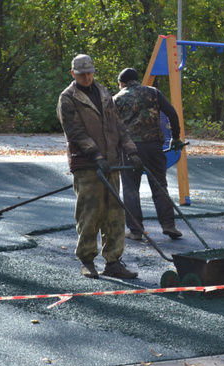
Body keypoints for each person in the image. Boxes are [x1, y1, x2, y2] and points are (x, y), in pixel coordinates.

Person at [57, 54, 144, 279]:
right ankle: (87, 260)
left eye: (89, 73)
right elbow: (75, 132)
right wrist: (95, 154)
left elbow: (118, 125)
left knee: (115, 214)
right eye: (81, 74)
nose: (87, 77)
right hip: (87, 164)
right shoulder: (68, 98)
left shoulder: (104, 93)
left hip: (111, 162)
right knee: (90, 213)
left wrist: (131, 150)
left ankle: (113, 262)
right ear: (73, 74)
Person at [113, 68, 187, 241]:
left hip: (129, 149)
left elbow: (111, 127)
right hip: (154, 146)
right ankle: (169, 225)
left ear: (121, 83)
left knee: (131, 189)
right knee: (160, 185)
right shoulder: (153, 92)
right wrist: (175, 137)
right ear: (137, 80)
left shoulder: (117, 98)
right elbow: (171, 113)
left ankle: (136, 230)